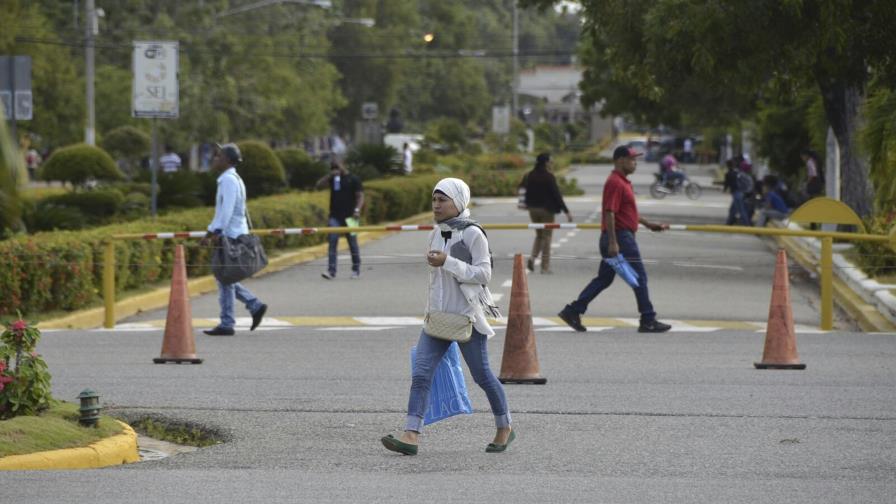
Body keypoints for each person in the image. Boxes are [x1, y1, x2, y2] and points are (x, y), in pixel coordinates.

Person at [381, 178, 512, 456]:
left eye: (443, 200)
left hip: (466, 318)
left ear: (459, 202)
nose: (436, 205)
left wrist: (448, 262)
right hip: (437, 319)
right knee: (421, 375)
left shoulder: (473, 233)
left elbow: (484, 274)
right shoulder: (437, 232)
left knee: (483, 376)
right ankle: (411, 434)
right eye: (434, 200)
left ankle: (505, 427)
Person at [558, 146, 672, 334]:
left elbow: (626, 212)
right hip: (620, 238)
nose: (635, 163)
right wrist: (613, 242)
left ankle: (573, 311)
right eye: (632, 159)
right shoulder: (615, 183)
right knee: (639, 277)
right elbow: (609, 212)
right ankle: (648, 318)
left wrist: (649, 224)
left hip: (620, 236)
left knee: (604, 279)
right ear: (620, 160)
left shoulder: (623, 182)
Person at [199, 143, 267, 336]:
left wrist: (214, 233)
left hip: (230, 236)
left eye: (218, 156)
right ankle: (254, 306)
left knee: (225, 277)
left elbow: (225, 211)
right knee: (224, 277)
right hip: (232, 233)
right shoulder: (231, 178)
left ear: (227, 160)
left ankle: (228, 322)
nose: (215, 159)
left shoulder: (228, 180)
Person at [521, 152, 572, 274]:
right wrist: (567, 211)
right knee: (547, 237)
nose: (552, 163)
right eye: (550, 161)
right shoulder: (549, 176)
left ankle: (532, 259)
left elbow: (522, 188)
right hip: (547, 210)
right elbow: (557, 195)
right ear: (546, 162)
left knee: (539, 236)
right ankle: (545, 267)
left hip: (532, 210)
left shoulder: (529, 175)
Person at [315, 160, 364, 279]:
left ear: (344, 165)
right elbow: (318, 186)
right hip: (335, 216)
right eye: (332, 168)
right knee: (332, 242)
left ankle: (356, 269)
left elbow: (360, 196)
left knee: (352, 243)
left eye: (337, 167)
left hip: (351, 217)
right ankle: (331, 271)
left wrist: (357, 210)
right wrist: (329, 176)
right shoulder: (333, 179)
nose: (335, 169)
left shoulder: (353, 179)